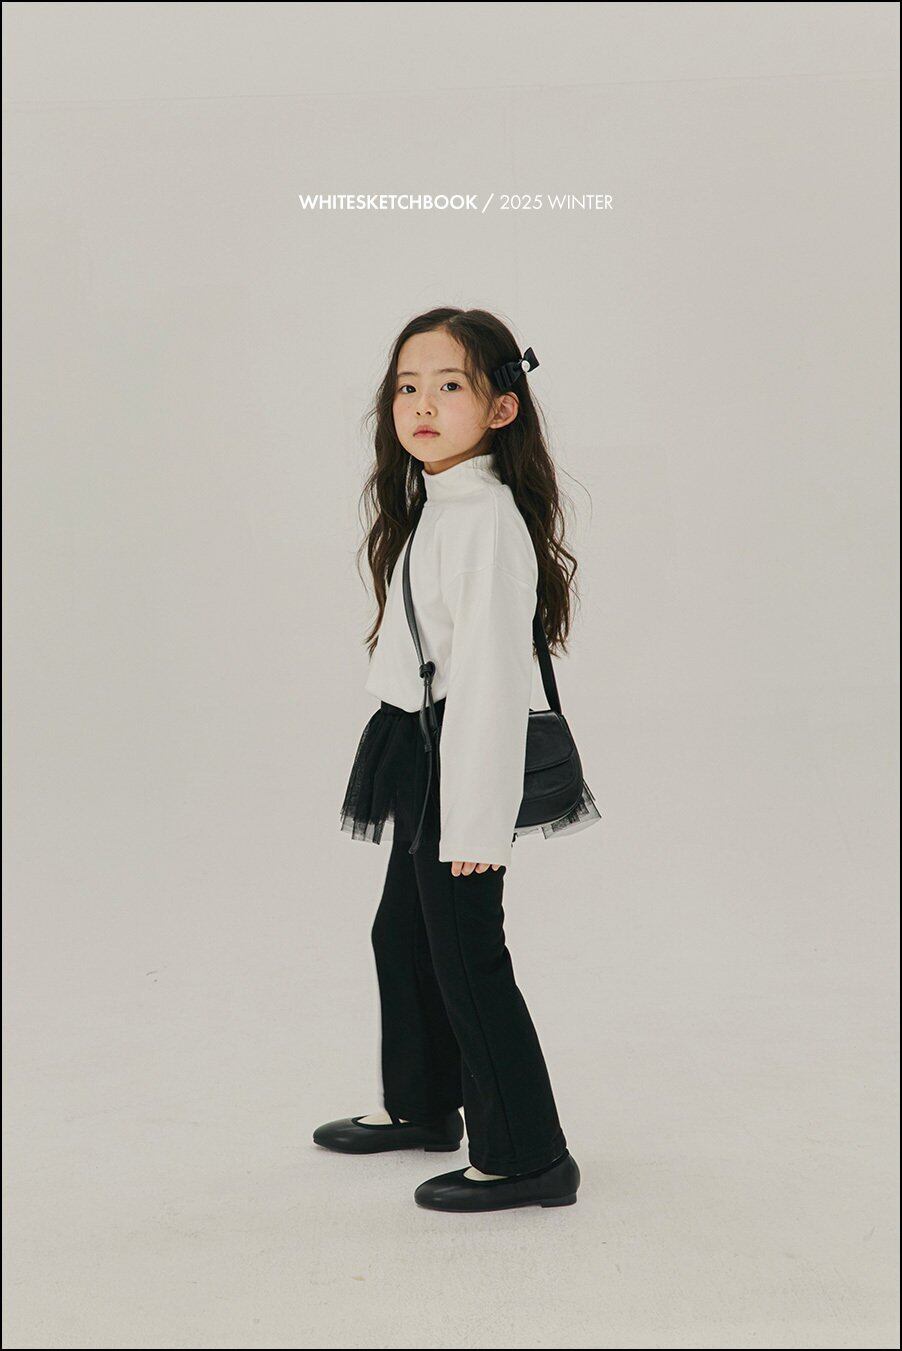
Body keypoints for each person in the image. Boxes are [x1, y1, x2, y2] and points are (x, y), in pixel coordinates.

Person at [314, 307, 594, 1213]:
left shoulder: (486, 525)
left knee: (467, 953)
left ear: (502, 408)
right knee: (402, 934)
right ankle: (424, 1104)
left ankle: (529, 1154)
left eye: (449, 385)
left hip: (458, 756)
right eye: (408, 386)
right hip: (417, 742)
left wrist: (476, 825)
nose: (422, 405)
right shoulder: (442, 503)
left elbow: (494, 688)